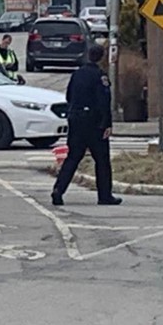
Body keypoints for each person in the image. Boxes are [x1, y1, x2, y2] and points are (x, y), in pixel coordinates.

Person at [52, 45, 122, 207]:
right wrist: (107, 124)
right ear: (101, 58)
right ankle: (104, 195)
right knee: (102, 160)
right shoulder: (100, 76)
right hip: (94, 122)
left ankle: (58, 190)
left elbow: (69, 96)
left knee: (73, 157)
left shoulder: (77, 74)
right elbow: (104, 102)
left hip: (75, 120)